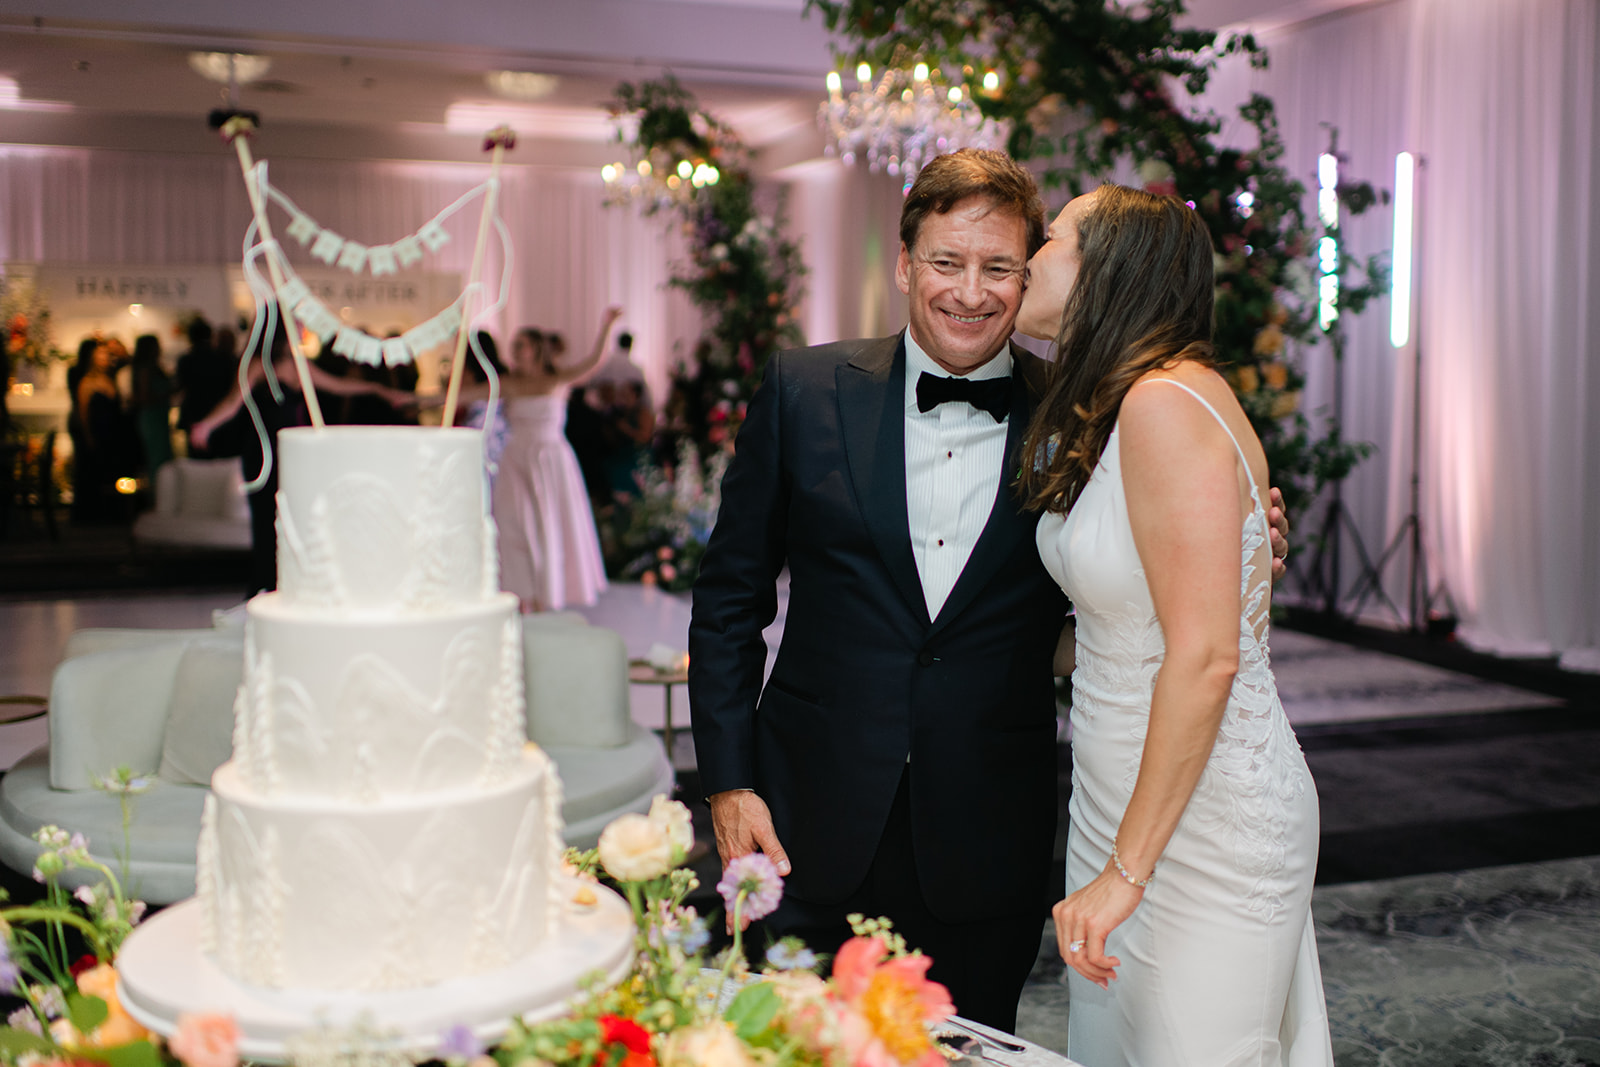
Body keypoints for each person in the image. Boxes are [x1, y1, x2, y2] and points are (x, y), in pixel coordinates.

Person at [688, 150, 1291, 1033]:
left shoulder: (1090, 413)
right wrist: (728, 782)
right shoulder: (802, 390)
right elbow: (729, 598)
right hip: (802, 818)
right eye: (947, 261)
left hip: (987, 836)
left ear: (1029, 271)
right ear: (905, 264)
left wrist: (1244, 542)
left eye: (1000, 266)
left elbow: (1149, 572)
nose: (971, 292)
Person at [1018, 184, 1331, 1064]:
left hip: (1201, 821)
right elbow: (1127, 623)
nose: (1031, 257)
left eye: (1052, 238)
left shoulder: (1163, 403)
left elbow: (1205, 657)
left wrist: (1128, 871)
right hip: (1121, 792)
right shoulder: (1130, 403)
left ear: (1107, 271)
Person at [190, 314, 413, 594]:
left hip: (290, 455)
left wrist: (377, 389)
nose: (304, 328)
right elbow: (233, 402)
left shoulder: (297, 364)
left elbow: (338, 385)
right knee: (268, 522)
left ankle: (284, 586)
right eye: (297, 323)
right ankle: (266, 587)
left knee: (290, 519)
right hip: (265, 454)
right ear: (282, 328)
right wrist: (206, 425)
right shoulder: (261, 365)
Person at [449, 308, 621, 613]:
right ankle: (520, 593)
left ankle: (547, 593)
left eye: (521, 345)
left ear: (536, 349)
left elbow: (594, 362)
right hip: (516, 460)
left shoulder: (558, 380)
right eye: (514, 345)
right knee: (514, 525)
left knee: (548, 526)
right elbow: (461, 396)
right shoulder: (508, 383)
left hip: (551, 461)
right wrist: (411, 399)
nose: (515, 350)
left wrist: (606, 328)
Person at [129, 333, 173, 478]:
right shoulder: (145, 369)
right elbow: (144, 396)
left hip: (158, 417)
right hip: (152, 418)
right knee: (157, 458)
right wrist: (166, 394)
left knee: (161, 456)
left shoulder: (153, 367)